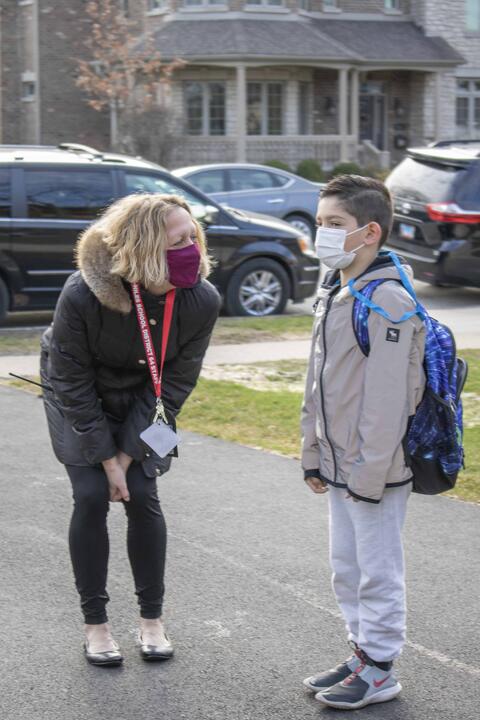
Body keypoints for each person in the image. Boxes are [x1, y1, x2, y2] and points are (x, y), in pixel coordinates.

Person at [40, 193, 221, 666]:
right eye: (177, 241)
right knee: (92, 494)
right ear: (142, 249)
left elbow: (176, 382)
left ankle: (151, 621)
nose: (192, 249)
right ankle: (96, 625)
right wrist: (105, 457)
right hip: (80, 396)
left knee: (142, 493)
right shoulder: (83, 293)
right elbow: (69, 378)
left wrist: (127, 457)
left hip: (150, 397)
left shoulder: (202, 299)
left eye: (193, 236)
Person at [301, 175, 426, 709]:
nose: (323, 233)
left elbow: (387, 400)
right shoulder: (336, 288)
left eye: (335, 225)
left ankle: (380, 667)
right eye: (320, 222)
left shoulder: (389, 298)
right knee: (346, 566)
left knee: (377, 570)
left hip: (374, 468)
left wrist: (369, 476)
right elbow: (318, 379)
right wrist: (313, 453)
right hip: (339, 462)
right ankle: (361, 651)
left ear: (369, 232)